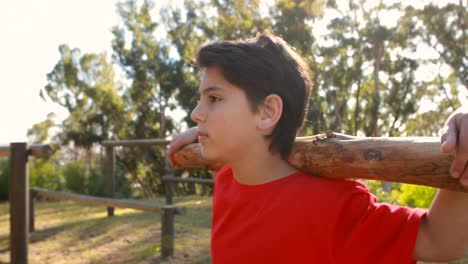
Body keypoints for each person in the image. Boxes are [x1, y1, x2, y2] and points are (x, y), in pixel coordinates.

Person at [166, 31, 468, 263]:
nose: (196, 112)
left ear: (268, 112)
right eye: (200, 99)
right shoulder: (228, 179)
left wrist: (463, 140)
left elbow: (439, 241)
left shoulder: (330, 204)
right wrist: (204, 131)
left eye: (214, 98)